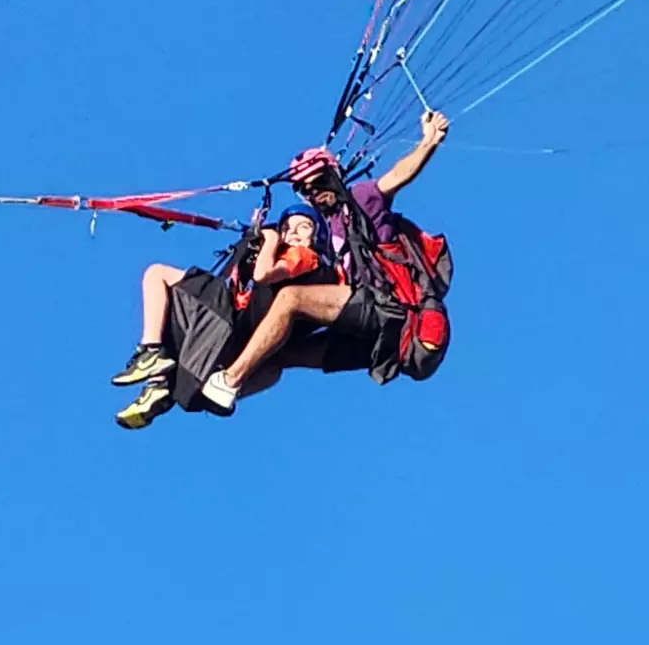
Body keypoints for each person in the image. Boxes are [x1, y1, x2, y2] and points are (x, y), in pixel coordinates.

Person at [198, 107, 449, 414]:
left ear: (332, 174)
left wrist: (429, 142)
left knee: (292, 299)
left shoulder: (361, 199)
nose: (314, 193)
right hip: (367, 336)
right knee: (278, 353)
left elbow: (396, 176)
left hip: (385, 307)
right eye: (306, 191)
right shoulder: (323, 231)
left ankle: (229, 380)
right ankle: (207, 394)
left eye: (317, 182)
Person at [110, 204, 333, 429]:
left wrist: (271, 238)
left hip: (228, 315)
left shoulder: (305, 255)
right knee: (175, 313)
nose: (293, 232)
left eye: (303, 227)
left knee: (157, 274)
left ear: (317, 235)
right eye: (286, 227)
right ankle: (157, 385)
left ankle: (151, 351)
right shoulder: (290, 260)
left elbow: (263, 274)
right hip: (234, 327)